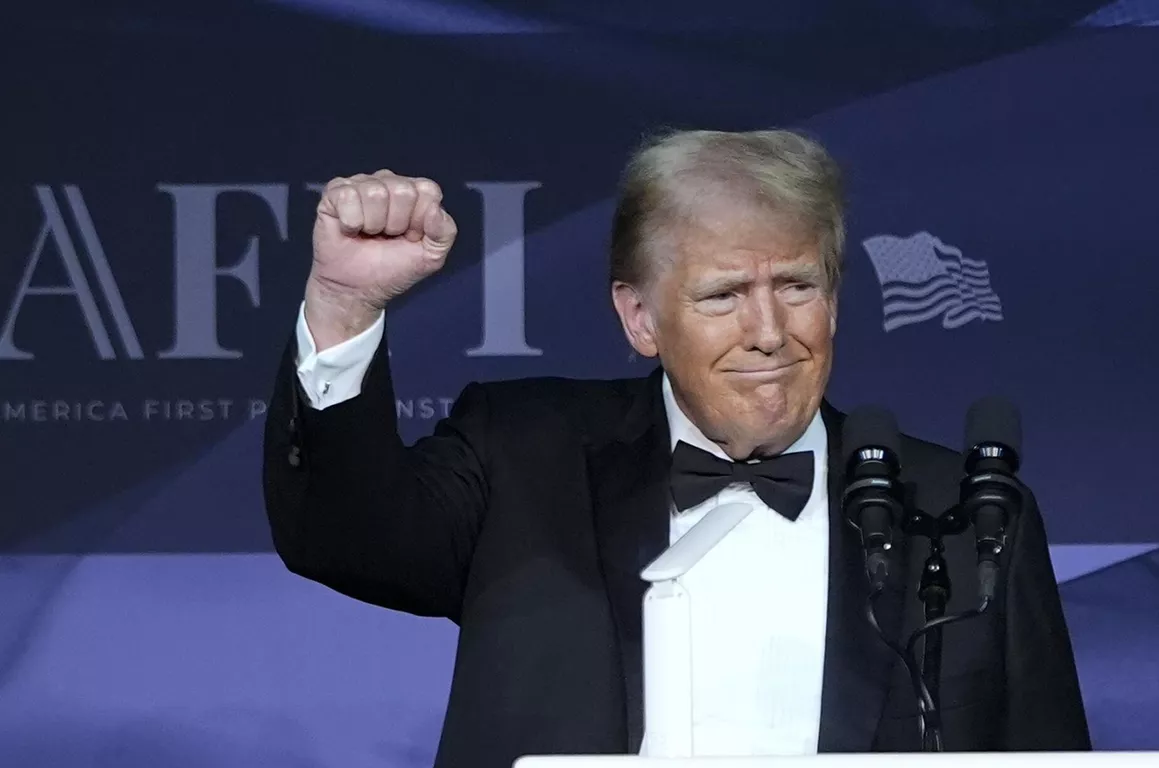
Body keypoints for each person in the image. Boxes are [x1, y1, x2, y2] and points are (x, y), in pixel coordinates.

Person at [261, 129, 1090, 768]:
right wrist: (343, 305)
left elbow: (1051, 751)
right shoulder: (523, 454)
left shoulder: (963, 509)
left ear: (833, 300)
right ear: (640, 318)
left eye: (797, 286)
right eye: (724, 294)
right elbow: (343, 535)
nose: (769, 333)